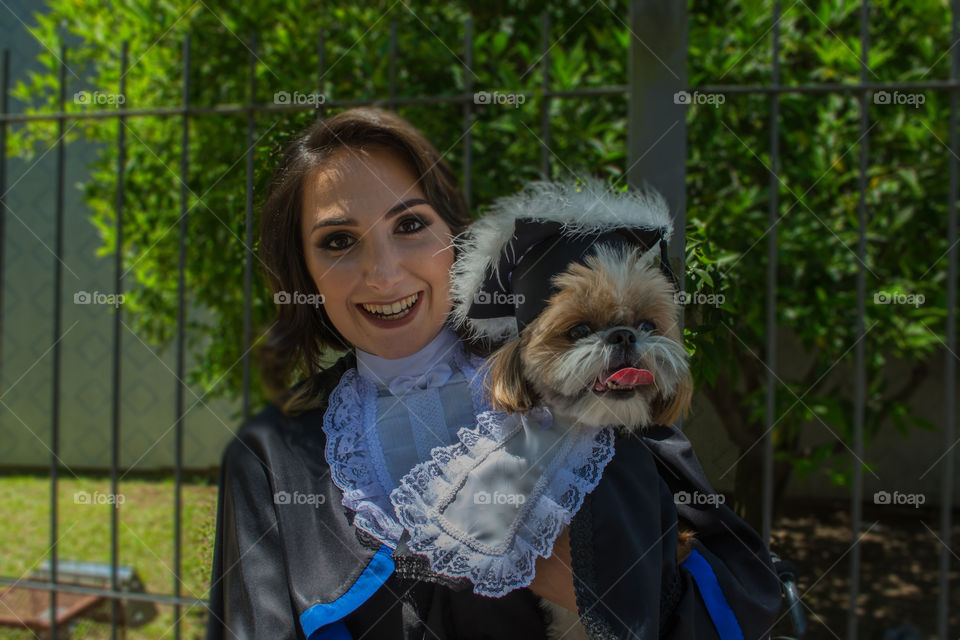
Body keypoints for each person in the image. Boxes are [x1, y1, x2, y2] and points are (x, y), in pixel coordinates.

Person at [204, 107, 782, 640]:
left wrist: (607, 592)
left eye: (409, 226)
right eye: (337, 241)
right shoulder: (271, 454)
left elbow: (742, 590)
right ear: (302, 273)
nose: (382, 274)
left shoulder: (582, 384)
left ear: (454, 237)